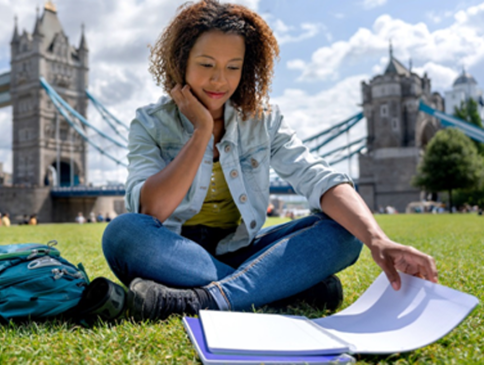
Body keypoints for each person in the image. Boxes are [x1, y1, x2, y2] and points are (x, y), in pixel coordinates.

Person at [102, 0, 438, 321]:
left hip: (243, 250)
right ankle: (283, 288)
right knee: (122, 233)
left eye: (233, 67)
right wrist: (202, 130)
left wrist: (378, 239)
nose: (220, 80)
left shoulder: (264, 120)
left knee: (347, 232)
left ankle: (206, 299)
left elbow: (316, 176)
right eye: (206, 65)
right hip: (174, 252)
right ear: (181, 62)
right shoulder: (149, 123)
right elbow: (152, 210)